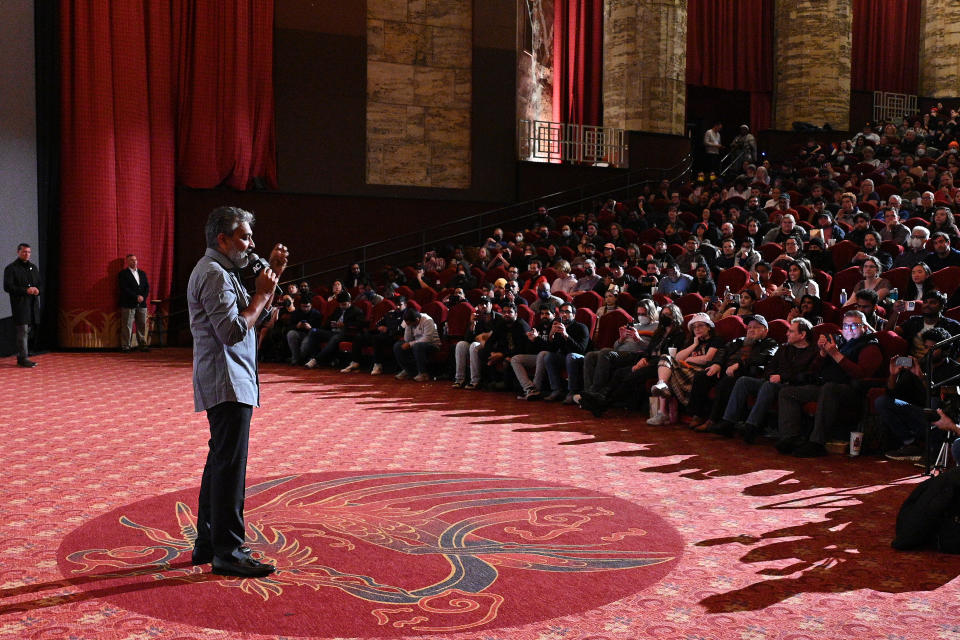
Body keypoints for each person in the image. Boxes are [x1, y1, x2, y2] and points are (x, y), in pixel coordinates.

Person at [187, 205, 287, 577]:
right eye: (244, 237)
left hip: (232, 379)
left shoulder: (223, 270)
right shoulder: (213, 273)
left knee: (220, 463)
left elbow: (253, 318)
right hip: (226, 380)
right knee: (230, 467)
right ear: (222, 239)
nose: (251, 243)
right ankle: (229, 551)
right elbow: (231, 331)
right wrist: (260, 296)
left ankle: (208, 543)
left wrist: (269, 285)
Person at [775, 310, 883, 457]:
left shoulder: (870, 346)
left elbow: (861, 375)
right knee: (787, 392)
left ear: (864, 328)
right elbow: (813, 371)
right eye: (845, 326)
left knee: (829, 388)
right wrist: (822, 354)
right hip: (827, 387)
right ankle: (791, 437)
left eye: (854, 326)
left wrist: (835, 354)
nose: (848, 330)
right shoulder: (839, 342)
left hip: (852, 392)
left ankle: (817, 442)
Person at [4, 243, 42, 368]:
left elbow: (39, 284)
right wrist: (25, 290)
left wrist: (37, 290)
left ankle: (22, 356)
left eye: (29, 252)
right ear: (18, 252)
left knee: (28, 331)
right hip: (20, 305)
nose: (27, 254)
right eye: (24, 252)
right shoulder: (11, 268)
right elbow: (8, 287)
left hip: (32, 305)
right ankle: (23, 358)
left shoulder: (33, 267)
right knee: (23, 332)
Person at [393, 306, 441, 381]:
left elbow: (427, 339)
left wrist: (410, 344)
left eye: (411, 324)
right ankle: (409, 371)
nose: (410, 325)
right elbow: (407, 339)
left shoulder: (427, 320)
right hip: (417, 344)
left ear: (417, 320)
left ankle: (423, 373)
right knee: (398, 346)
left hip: (432, 345)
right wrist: (408, 327)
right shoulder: (409, 322)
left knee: (417, 346)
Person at [117, 254, 150, 352]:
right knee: (127, 325)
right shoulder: (123, 274)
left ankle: (142, 344)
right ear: (127, 262)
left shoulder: (142, 273)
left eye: (135, 260)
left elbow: (146, 287)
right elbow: (124, 288)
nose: (134, 262)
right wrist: (136, 297)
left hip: (142, 304)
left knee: (142, 325)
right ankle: (126, 346)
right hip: (128, 304)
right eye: (131, 260)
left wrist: (143, 297)